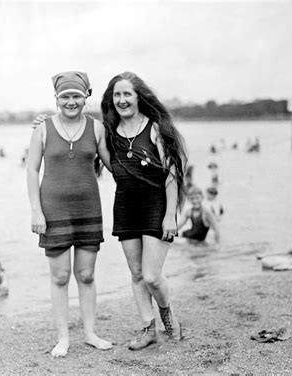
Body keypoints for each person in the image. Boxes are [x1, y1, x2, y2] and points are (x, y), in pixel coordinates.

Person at [27, 71, 112, 357]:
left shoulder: (97, 128)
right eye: (65, 96)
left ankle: (90, 333)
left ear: (86, 96)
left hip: (88, 207)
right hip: (53, 210)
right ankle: (63, 338)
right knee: (61, 276)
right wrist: (36, 211)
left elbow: (114, 165)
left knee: (86, 275)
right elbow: (31, 171)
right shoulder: (43, 128)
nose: (71, 101)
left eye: (76, 95)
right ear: (56, 98)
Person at [101, 72, 187, 350]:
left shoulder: (155, 128)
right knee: (136, 274)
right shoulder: (108, 131)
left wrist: (170, 214)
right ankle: (148, 328)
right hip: (125, 206)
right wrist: (43, 121)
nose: (122, 100)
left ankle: (167, 313)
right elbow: (79, 131)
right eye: (117, 95)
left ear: (139, 96)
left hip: (156, 205)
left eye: (127, 94)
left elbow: (172, 173)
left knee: (151, 275)